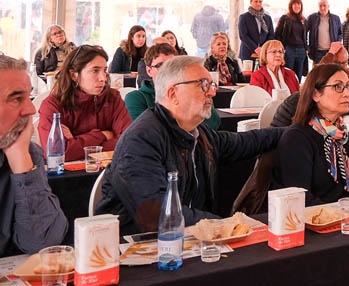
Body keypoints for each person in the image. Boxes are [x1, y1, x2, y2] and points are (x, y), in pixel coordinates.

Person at [95, 56, 285, 234]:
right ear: (173, 93)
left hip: (185, 243)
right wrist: (222, 224)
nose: (212, 91)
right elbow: (156, 214)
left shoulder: (198, 134)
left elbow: (247, 141)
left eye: (211, 84)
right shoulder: (141, 140)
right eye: (203, 84)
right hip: (133, 252)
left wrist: (298, 131)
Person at [0, 55, 68, 256]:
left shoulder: (25, 151)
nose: (31, 109)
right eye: (16, 98)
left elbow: (43, 242)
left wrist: (20, 159)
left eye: (28, 96)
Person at [273, 64, 349, 205]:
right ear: (316, 94)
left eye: (348, 86)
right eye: (338, 87)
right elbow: (301, 198)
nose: (347, 93)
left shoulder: (345, 138)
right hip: (314, 219)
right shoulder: (297, 138)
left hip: (347, 218)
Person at [38, 45, 132, 161]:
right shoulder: (52, 105)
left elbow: (128, 142)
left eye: (104, 70)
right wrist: (103, 135)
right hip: (68, 177)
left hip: (110, 174)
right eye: (95, 71)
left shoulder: (113, 98)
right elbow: (57, 153)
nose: (103, 78)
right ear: (74, 75)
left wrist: (76, 142)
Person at [275, 0, 308, 80]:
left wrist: (306, 49)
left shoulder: (303, 20)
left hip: (301, 50)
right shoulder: (285, 18)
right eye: (295, 4)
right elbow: (277, 34)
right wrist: (282, 48)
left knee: (298, 76)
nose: (297, 6)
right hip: (289, 49)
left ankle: (297, 92)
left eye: (299, 4)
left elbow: (305, 36)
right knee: (287, 75)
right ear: (291, 6)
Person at [238, 0, 274, 65]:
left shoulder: (267, 18)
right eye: (256, 1)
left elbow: (271, 35)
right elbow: (243, 36)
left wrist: (263, 48)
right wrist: (256, 48)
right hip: (248, 52)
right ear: (251, 2)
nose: (258, 3)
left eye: (260, 1)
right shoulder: (244, 17)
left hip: (264, 53)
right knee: (248, 75)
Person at [306, 0, 343, 64]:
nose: (322, 8)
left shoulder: (335, 18)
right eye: (320, 6)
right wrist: (307, 47)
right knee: (318, 72)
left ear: (328, 6)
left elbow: (340, 33)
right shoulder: (312, 18)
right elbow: (304, 32)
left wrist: (337, 43)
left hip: (331, 51)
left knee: (331, 71)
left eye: (324, 6)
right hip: (317, 51)